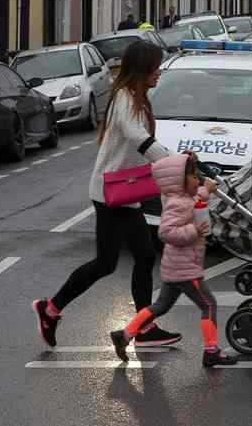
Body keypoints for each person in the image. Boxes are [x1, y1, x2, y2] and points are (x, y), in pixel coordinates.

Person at [33, 41, 181, 348]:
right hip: (111, 193)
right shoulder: (125, 98)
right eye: (155, 68)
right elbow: (136, 136)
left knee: (136, 257)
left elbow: (140, 140)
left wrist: (173, 157)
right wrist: (173, 161)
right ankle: (51, 309)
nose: (159, 73)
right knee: (112, 262)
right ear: (141, 69)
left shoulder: (136, 98)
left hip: (125, 191)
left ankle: (139, 326)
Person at [110, 154, 237, 367]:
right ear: (180, 181)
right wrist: (193, 230)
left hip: (175, 268)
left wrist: (206, 190)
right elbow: (166, 232)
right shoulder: (178, 204)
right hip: (185, 269)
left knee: (160, 306)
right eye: (194, 177)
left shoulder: (182, 199)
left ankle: (124, 335)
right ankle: (211, 350)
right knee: (209, 305)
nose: (198, 181)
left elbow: (195, 200)